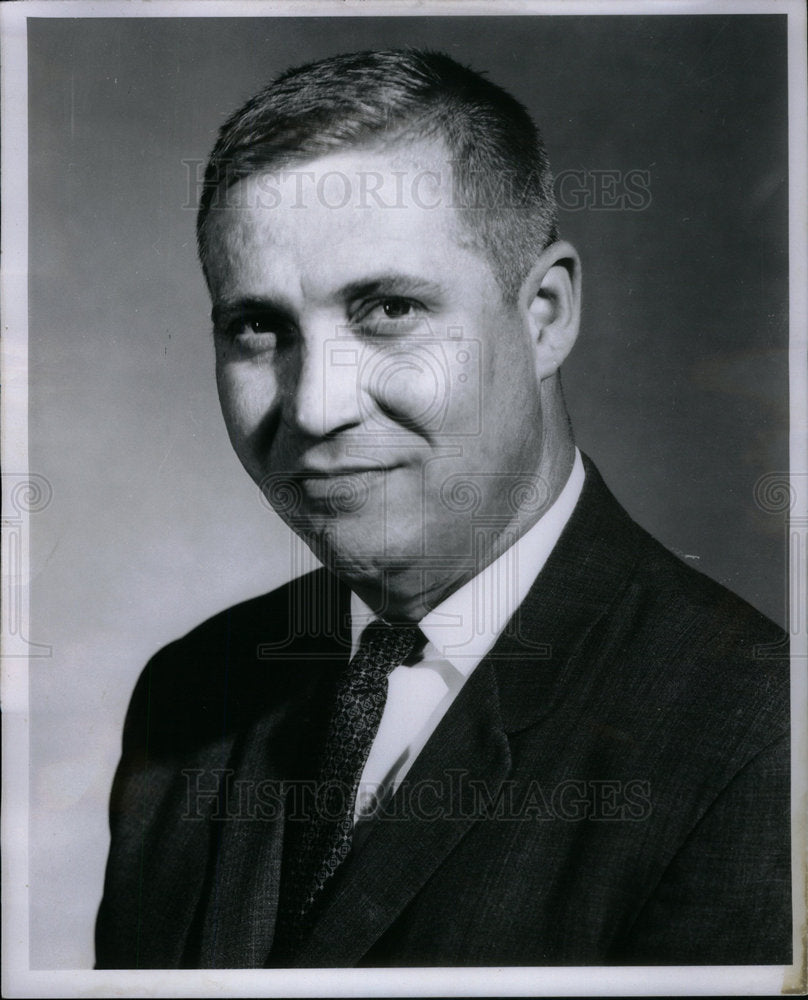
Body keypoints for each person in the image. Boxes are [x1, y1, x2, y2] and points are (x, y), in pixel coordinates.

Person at [95, 48, 791, 969]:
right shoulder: (190, 694)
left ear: (544, 314)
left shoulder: (763, 733)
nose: (314, 408)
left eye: (387, 309)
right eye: (257, 329)